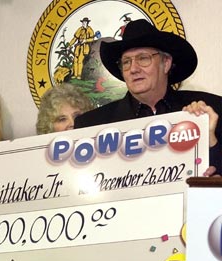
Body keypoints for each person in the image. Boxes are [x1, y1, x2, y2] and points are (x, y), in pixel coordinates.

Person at [74, 19, 222, 176]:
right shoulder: (91, 126)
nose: (133, 69)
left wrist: (210, 140)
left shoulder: (211, 111)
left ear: (166, 63)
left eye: (143, 58)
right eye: (126, 62)